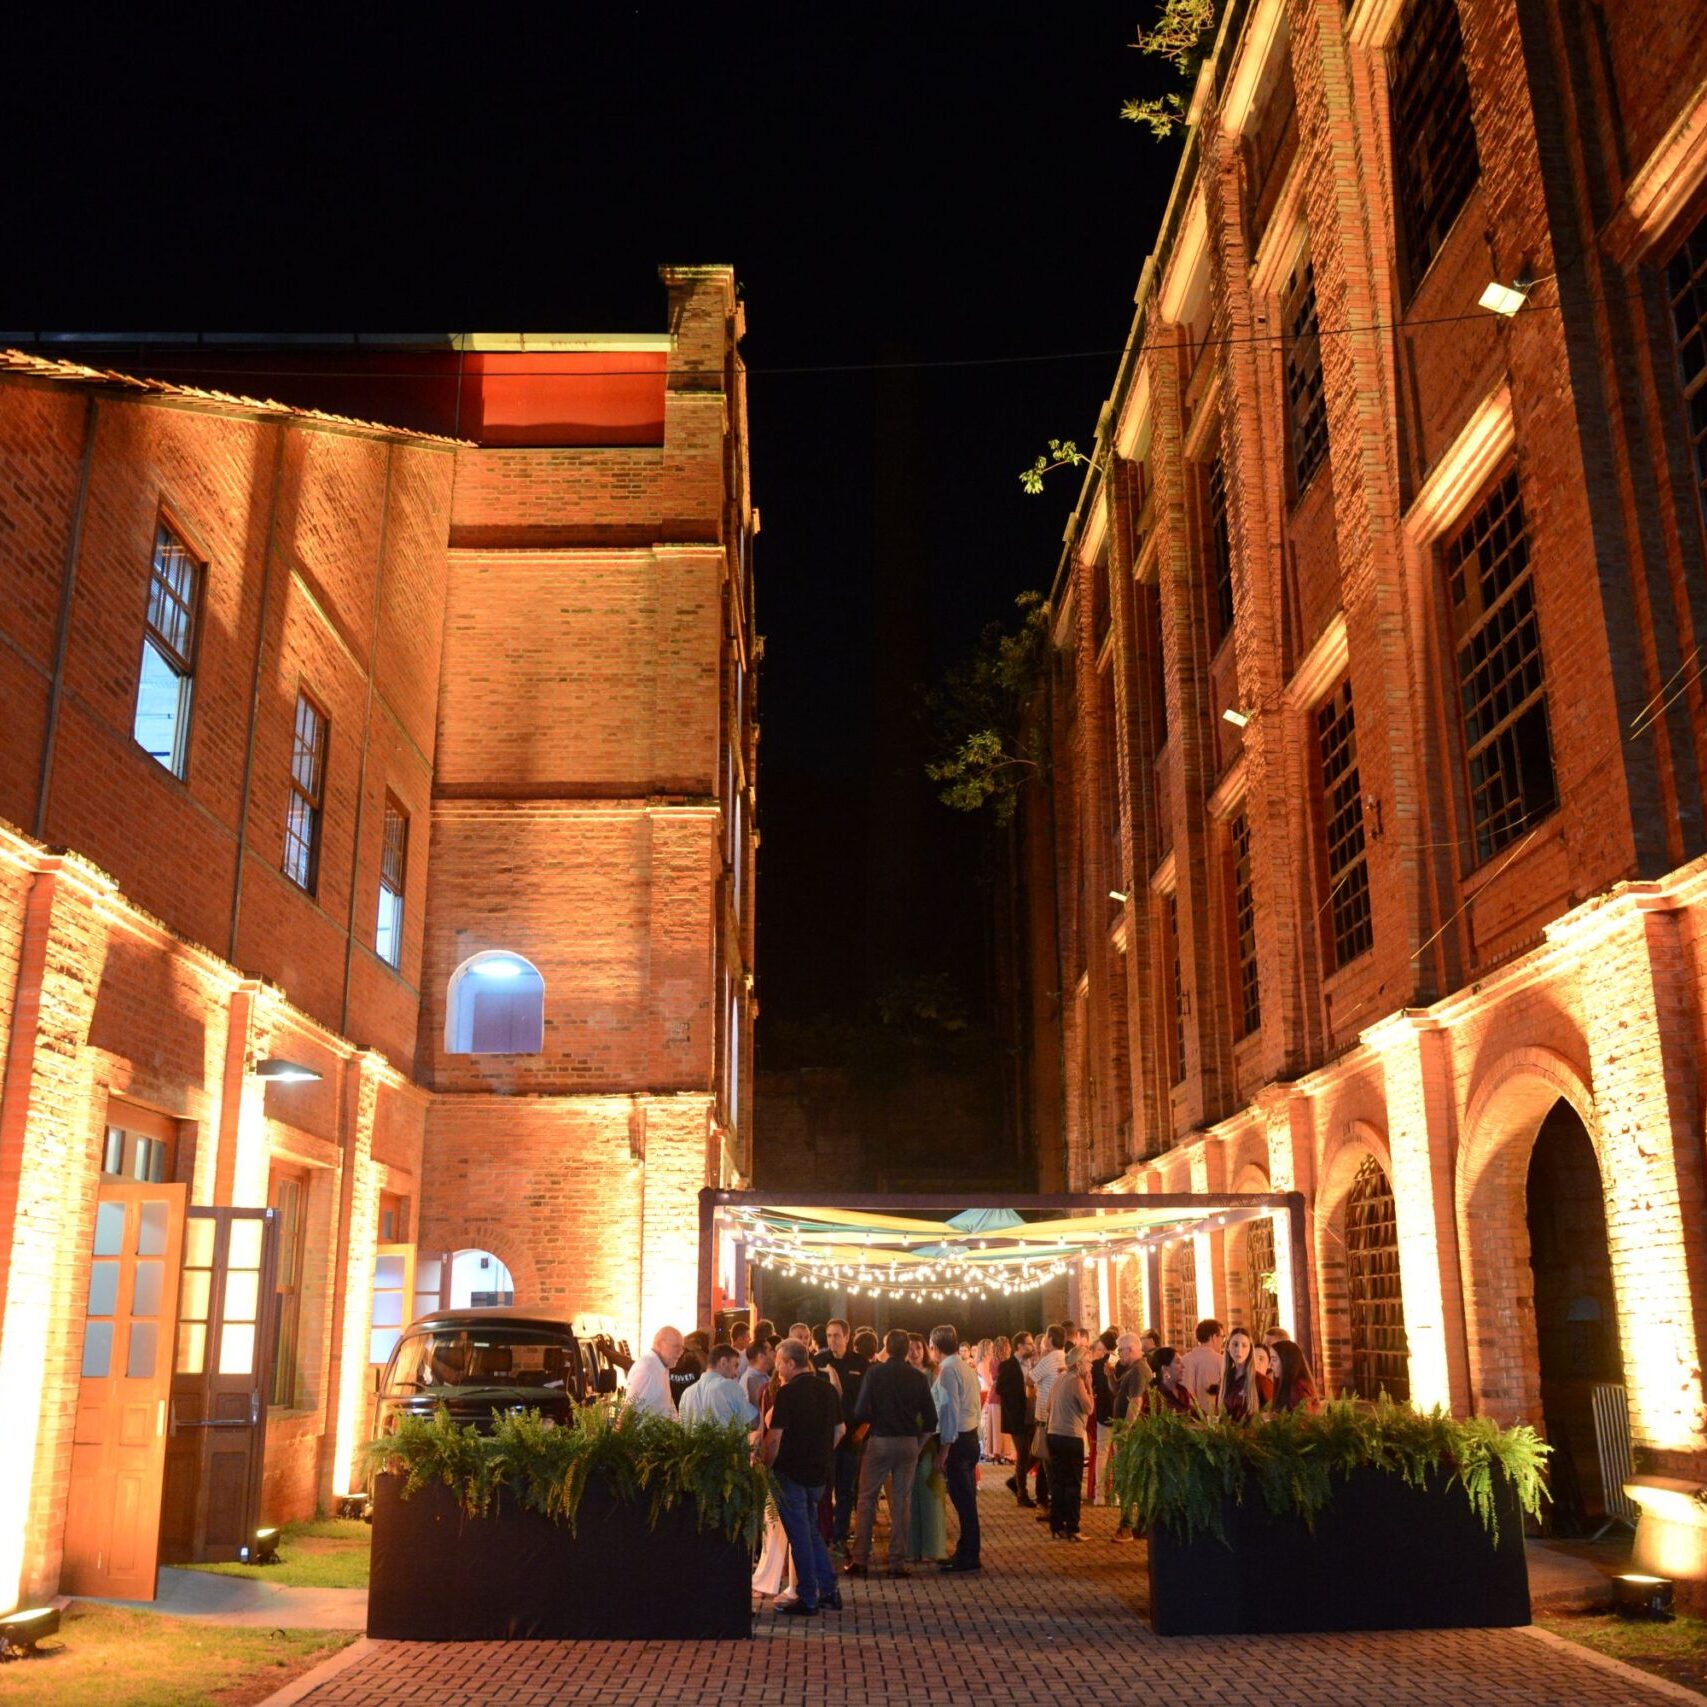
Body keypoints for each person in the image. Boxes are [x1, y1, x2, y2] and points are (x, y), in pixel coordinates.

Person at [759, 1338, 844, 1617]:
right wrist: (822, 1453)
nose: (777, 1367)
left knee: (800, 1537)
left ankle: (808, 1597)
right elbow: (840, 1431)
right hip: (818, 1474)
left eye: (780, 1362)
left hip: (791, 1473)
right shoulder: (828, 1391)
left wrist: (765, 1466)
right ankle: (829, 1590)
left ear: (791, 1363)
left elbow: (775, 1439)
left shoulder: (787, 1394)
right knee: (811, 1531)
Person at [846, 1328, 935, 1576]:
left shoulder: (875, 1373)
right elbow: (931, 1418)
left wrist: (877, 1418)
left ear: (887, 1347)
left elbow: (860, 1411)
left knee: (866, 1499)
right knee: (901, 1501)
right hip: (908, 1442)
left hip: (880, 1440)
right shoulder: (917, 1378)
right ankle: (897, 1561)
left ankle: (860, 1559)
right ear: (907, 1349)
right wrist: (918, 1444)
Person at [930, 1324, 982, 1572]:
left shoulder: (949, 1371)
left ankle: (969, 1554)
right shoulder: (964, 1367)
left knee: (964, 1501)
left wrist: (944, 1448)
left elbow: (949, 1409)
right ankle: (968, 1550)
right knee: (967, 1500)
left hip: (959, 1440)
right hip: (970, 1436)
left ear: (935, 1347)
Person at [814, 1318, 869, 1555]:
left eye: (837, 1335)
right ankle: (823, 1534)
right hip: (826, 1437)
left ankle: (840, 1536)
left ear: (847, 1337)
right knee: (824, 1488)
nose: (833, 1340)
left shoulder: (860, 1363)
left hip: (851, 1437)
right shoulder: (818, 1362)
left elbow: (869, 1400)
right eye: (829, 1335)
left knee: (846, 1489)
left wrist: (862, 1429)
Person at [1045, 1343, 1094, 1541]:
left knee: (1057, 1482)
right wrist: (1089, 1386)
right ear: (1080, 1363)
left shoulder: (1059, 1379)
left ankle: (1056, 1524)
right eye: (1089, 1362)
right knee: (1073, 1483)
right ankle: (1073, 1528)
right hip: (1070, 1435)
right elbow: (1089, 1408)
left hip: (1053, 1434)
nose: (1090, 1366)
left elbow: (1049, 1406)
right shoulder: (1076, 1381)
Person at [1026, 1326, 1066, 1519]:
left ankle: (1052, 1506)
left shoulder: (1048, 1359)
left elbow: (1028, 1379)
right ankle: (1047, 1502)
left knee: (1048, 1462)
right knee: (1051, 1462)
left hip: (1045, 1416)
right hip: (1060, 1416)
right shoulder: (1064, 1356)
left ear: (1049, 1340)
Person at [678, 1341, 758, 1427]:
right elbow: (752, 1423)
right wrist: (754, 1396)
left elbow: (683, 1430)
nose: (736, 1373)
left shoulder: (687, 1393)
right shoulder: (729, 1386)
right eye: (735, 1365)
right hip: (730, 1440)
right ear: (723, 1362)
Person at [996, 1336, 1034, 1507]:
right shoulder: (1008, 1365)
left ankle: (1015, 1481)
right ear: (1020, 1346)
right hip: (1016, 1416)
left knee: (1036, 1452)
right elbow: (1001, 1389)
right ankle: (1022, 1493)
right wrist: (1019, 1391)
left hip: (1032, 1414)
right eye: (1029, 1344)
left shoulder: (1032, 1364)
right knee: (1023, 1453)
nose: (1032, 1347)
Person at [624, 1326, 683, 1417]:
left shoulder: (660, 1366)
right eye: (676, 1347)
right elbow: (629, 1413)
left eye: (682, 1348)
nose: (681, 1352)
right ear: (659, 1344)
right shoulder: (648, 1370)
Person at [1216, 1327, 1265, 1422]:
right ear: (1227, 1347)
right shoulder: (1225, 1380)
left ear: (1250, 1349)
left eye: (1244, 1345)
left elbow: (1270, 1415)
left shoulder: (1260, 1380)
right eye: (1235, 1344)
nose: (1239, 1350)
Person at [1179, 1318, 1224, 1407]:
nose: (1223, 1341)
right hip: (1212, 1417)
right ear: (1214, 1337)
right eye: (1222, 1336)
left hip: (1186, 1415)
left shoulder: (1183, 1360)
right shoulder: (1221, 1361)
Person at [1269, 1338, 1319, 1412]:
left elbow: (1301, 1420)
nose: (1270, 1365)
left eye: (1274, 1359)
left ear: (1286, 1361)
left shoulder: (1297, 1388)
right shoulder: (1289, 1385)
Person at [1144, 1346, 1198, 1415]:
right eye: (1178, 1362)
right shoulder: (1153, 1395)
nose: (1183, 1366)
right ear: (1164, 1368)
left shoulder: (1182, 1391)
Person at [668, 1329, 709, 1410]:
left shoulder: (696, 1363)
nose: (688, 1353)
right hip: (672, 1409)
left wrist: (696, 1350)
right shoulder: (671, 1361)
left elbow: (708, 1367)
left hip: (693, 1407)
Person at [742, 1340, 773, 1410]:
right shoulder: (750, 1380)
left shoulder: (764, 1376)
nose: (774, 1353)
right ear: (761, 1356)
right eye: (770, 1351)